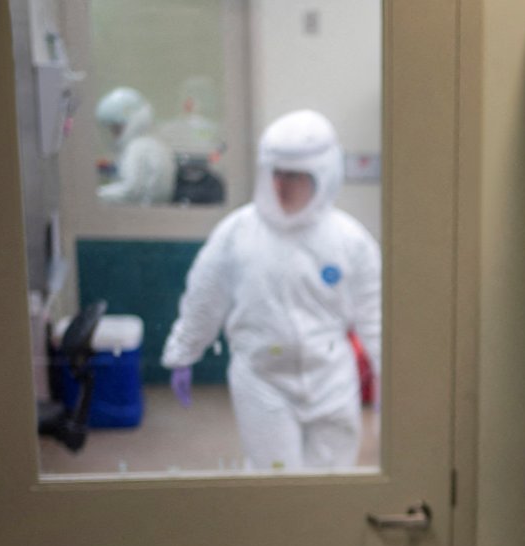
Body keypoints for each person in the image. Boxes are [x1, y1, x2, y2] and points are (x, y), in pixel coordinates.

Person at [161, 110, 381, 471]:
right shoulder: (237, 234)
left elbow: (377, 315)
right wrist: (182, 352)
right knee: (276, 479)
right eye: (276, 174)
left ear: (323, 177)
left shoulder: (350, 241)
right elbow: (204, 299)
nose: (282, 186)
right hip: (263, 378)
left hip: (331, 376)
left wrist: (390, 373)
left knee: (332, 483)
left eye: (295, 176)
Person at [94, 87, 177, 205]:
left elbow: (130, 191)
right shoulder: (153, 144)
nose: (113, 134)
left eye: (117, 127)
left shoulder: (137, 148)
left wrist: (96, 195)